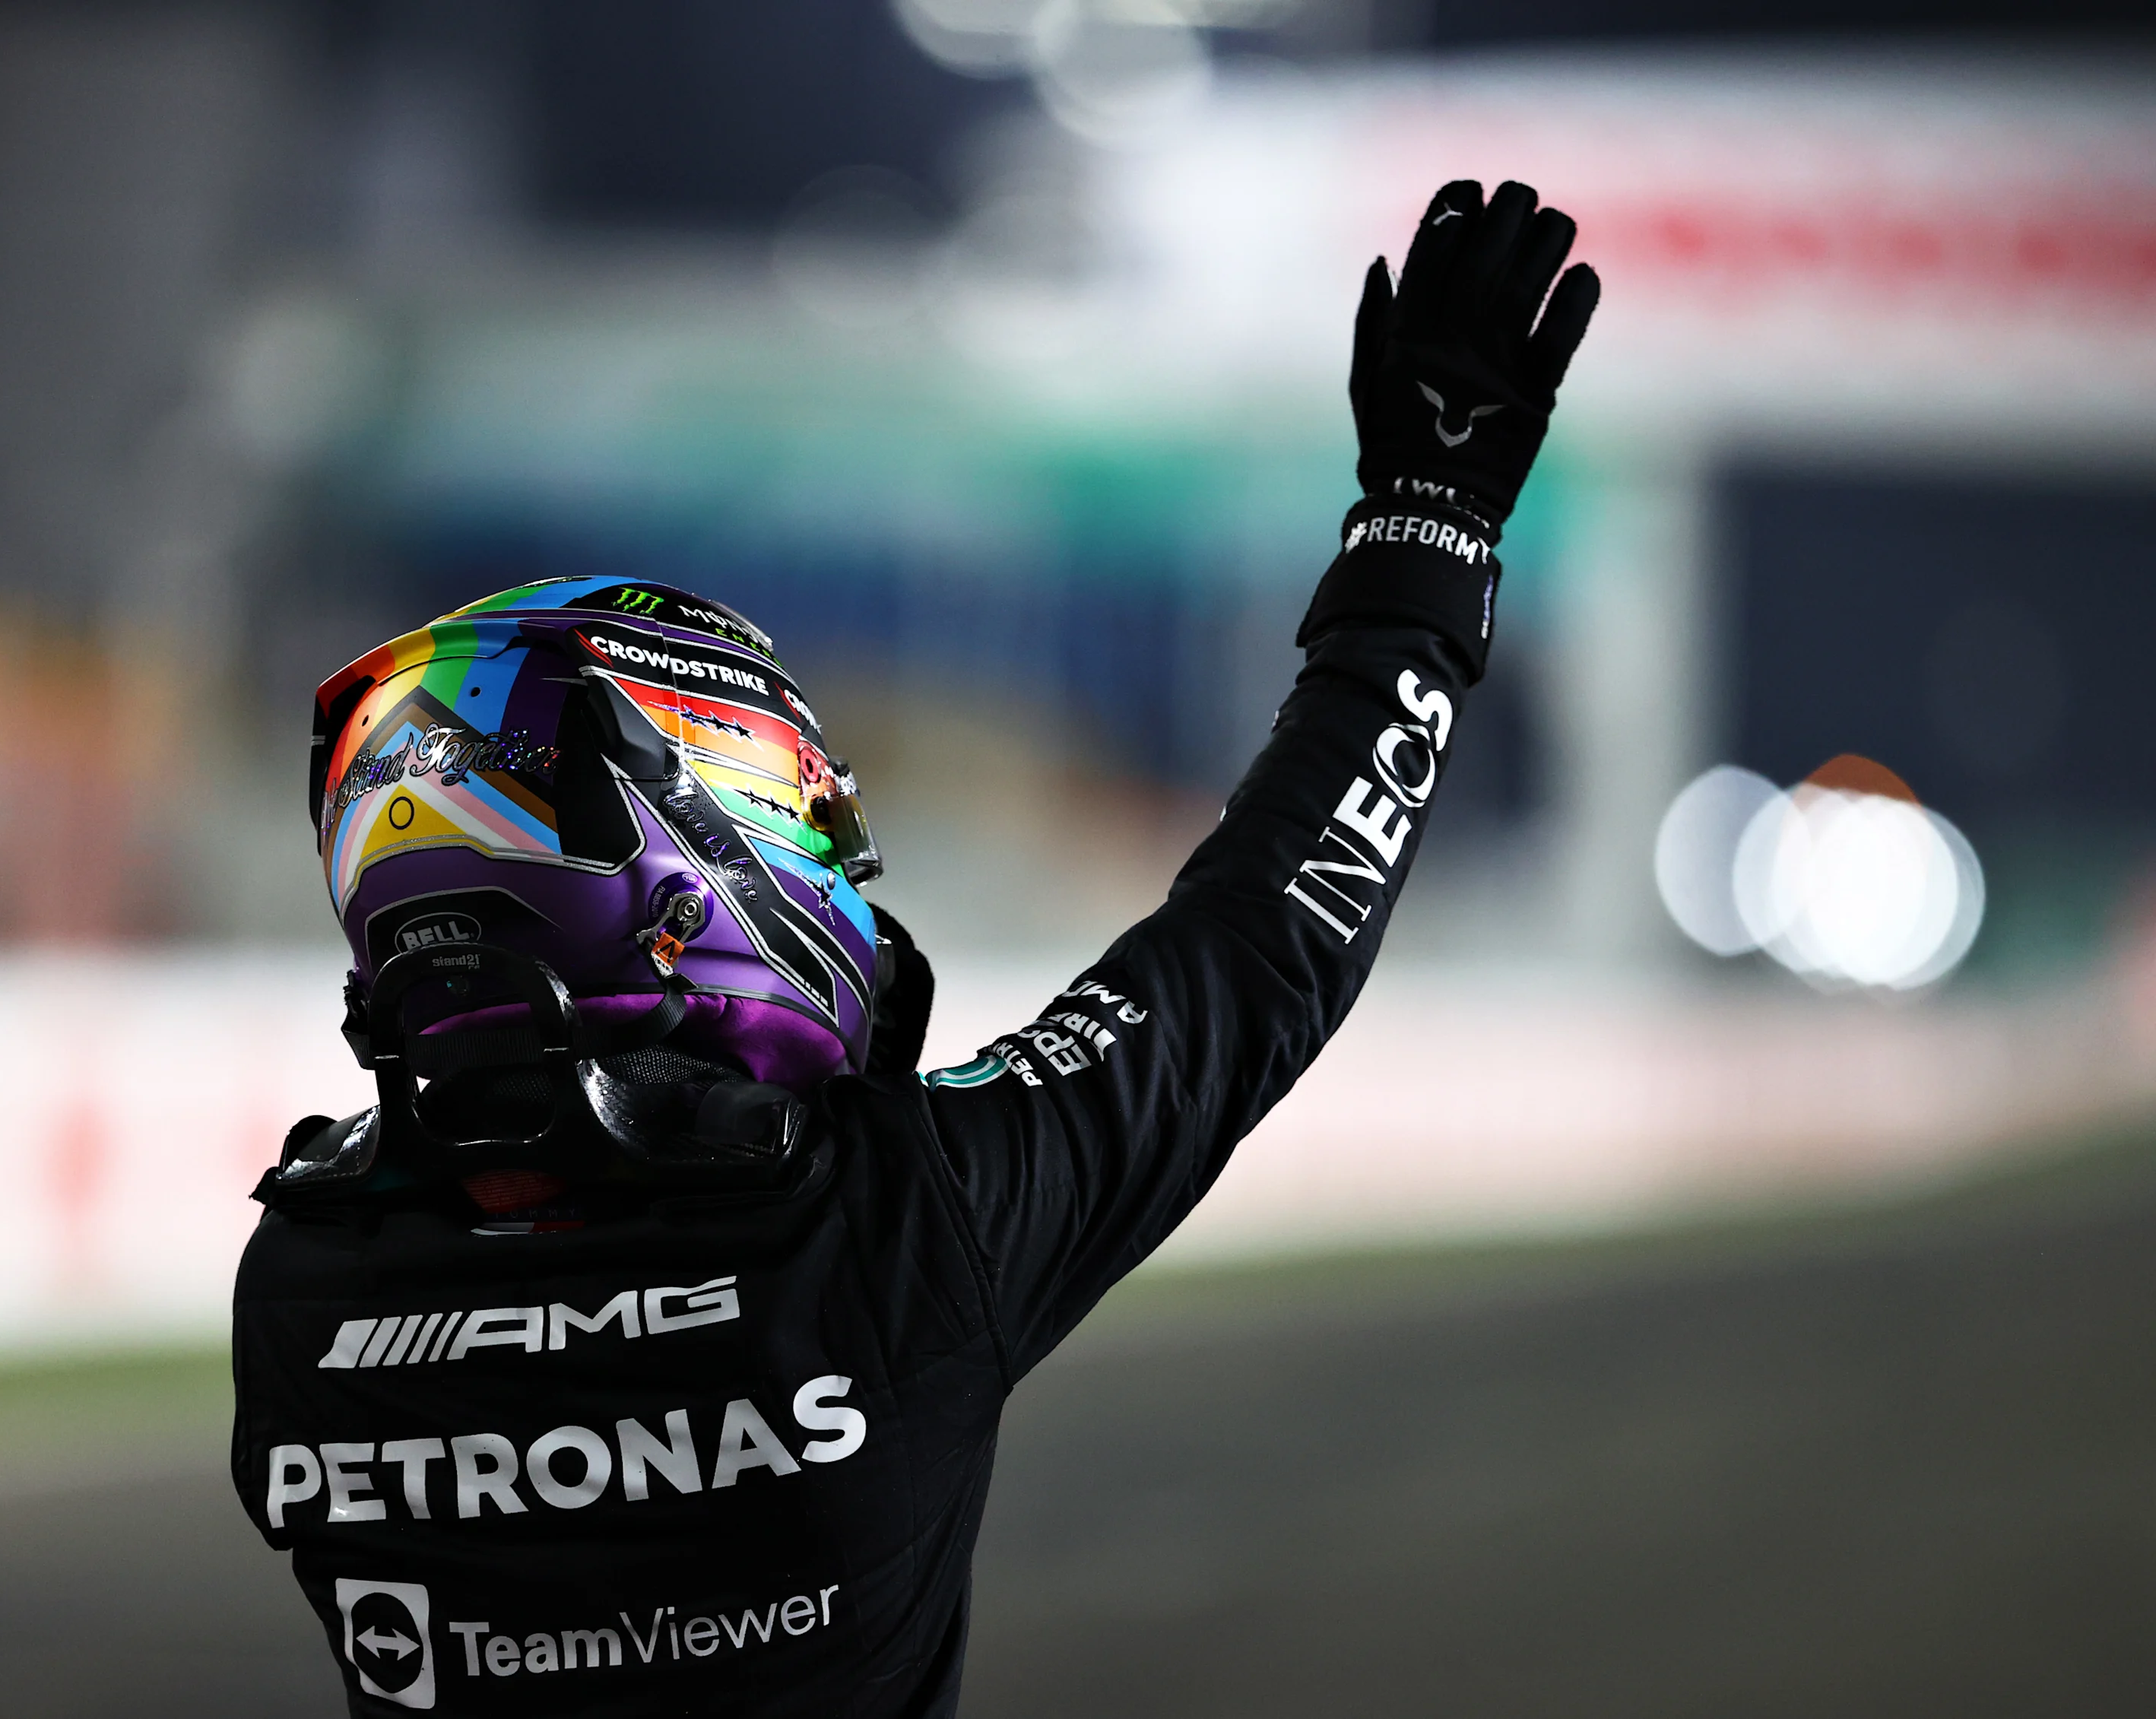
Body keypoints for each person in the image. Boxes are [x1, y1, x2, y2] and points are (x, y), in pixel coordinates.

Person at [231, 178, 1597, 1717]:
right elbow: (1262, 942)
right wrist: (1430, 532)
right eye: (788, 800)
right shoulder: (888, 1229)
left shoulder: (299, 1285)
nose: (829, 853)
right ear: (681, 859)